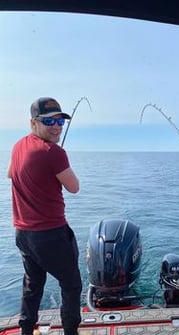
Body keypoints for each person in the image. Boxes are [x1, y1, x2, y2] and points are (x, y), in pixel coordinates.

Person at [7, 97, 82, 335]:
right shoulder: (54, 153)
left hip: (23, 235)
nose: (57, 126)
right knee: (71, 285)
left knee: (32, 285)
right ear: (33, 123)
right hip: (51, 235)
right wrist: (54, 160)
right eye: (49, 120)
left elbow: (11, 173)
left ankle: (26, 330)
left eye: (60, 120)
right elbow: (74, 187)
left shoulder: (18, 145)